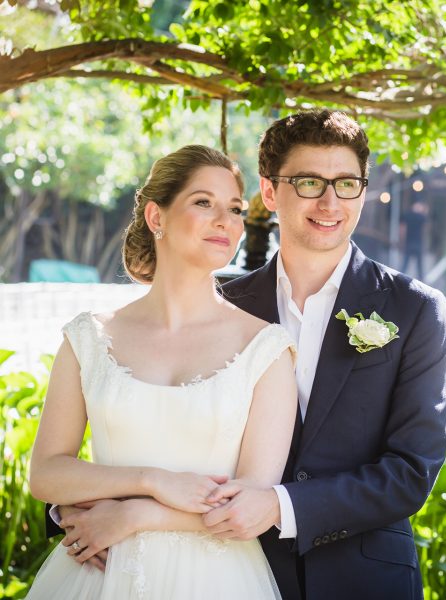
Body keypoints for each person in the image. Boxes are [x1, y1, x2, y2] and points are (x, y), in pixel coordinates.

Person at [47, 110, 446, 600]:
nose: (329, 201)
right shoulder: (224, 306)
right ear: (270, 193)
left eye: (347, 183)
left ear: (363, 191)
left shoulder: (413, 309)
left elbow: (409, 472)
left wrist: (280, 505)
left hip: (362, 576)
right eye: (308, 182)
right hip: (240, 567)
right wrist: (75, 503)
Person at [27, 145, 297, 599]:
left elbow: (251, 504)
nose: (225, 221)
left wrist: (137, 514)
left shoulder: (265, 348)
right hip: (95, 574)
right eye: (203, 202)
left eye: (233, 209)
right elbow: (46, 474)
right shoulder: (88, 339)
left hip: (217, 579)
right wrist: (151, 480)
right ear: (157, 217)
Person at [400, 200, 429, 280]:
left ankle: (399, 278)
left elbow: (403, 229)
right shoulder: (421, 217)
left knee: (406, 264)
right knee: (418, 265)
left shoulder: (407, 215)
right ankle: (422, 280)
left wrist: (402, 241)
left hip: (410, 243)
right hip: (416, 243)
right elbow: (425, 228)